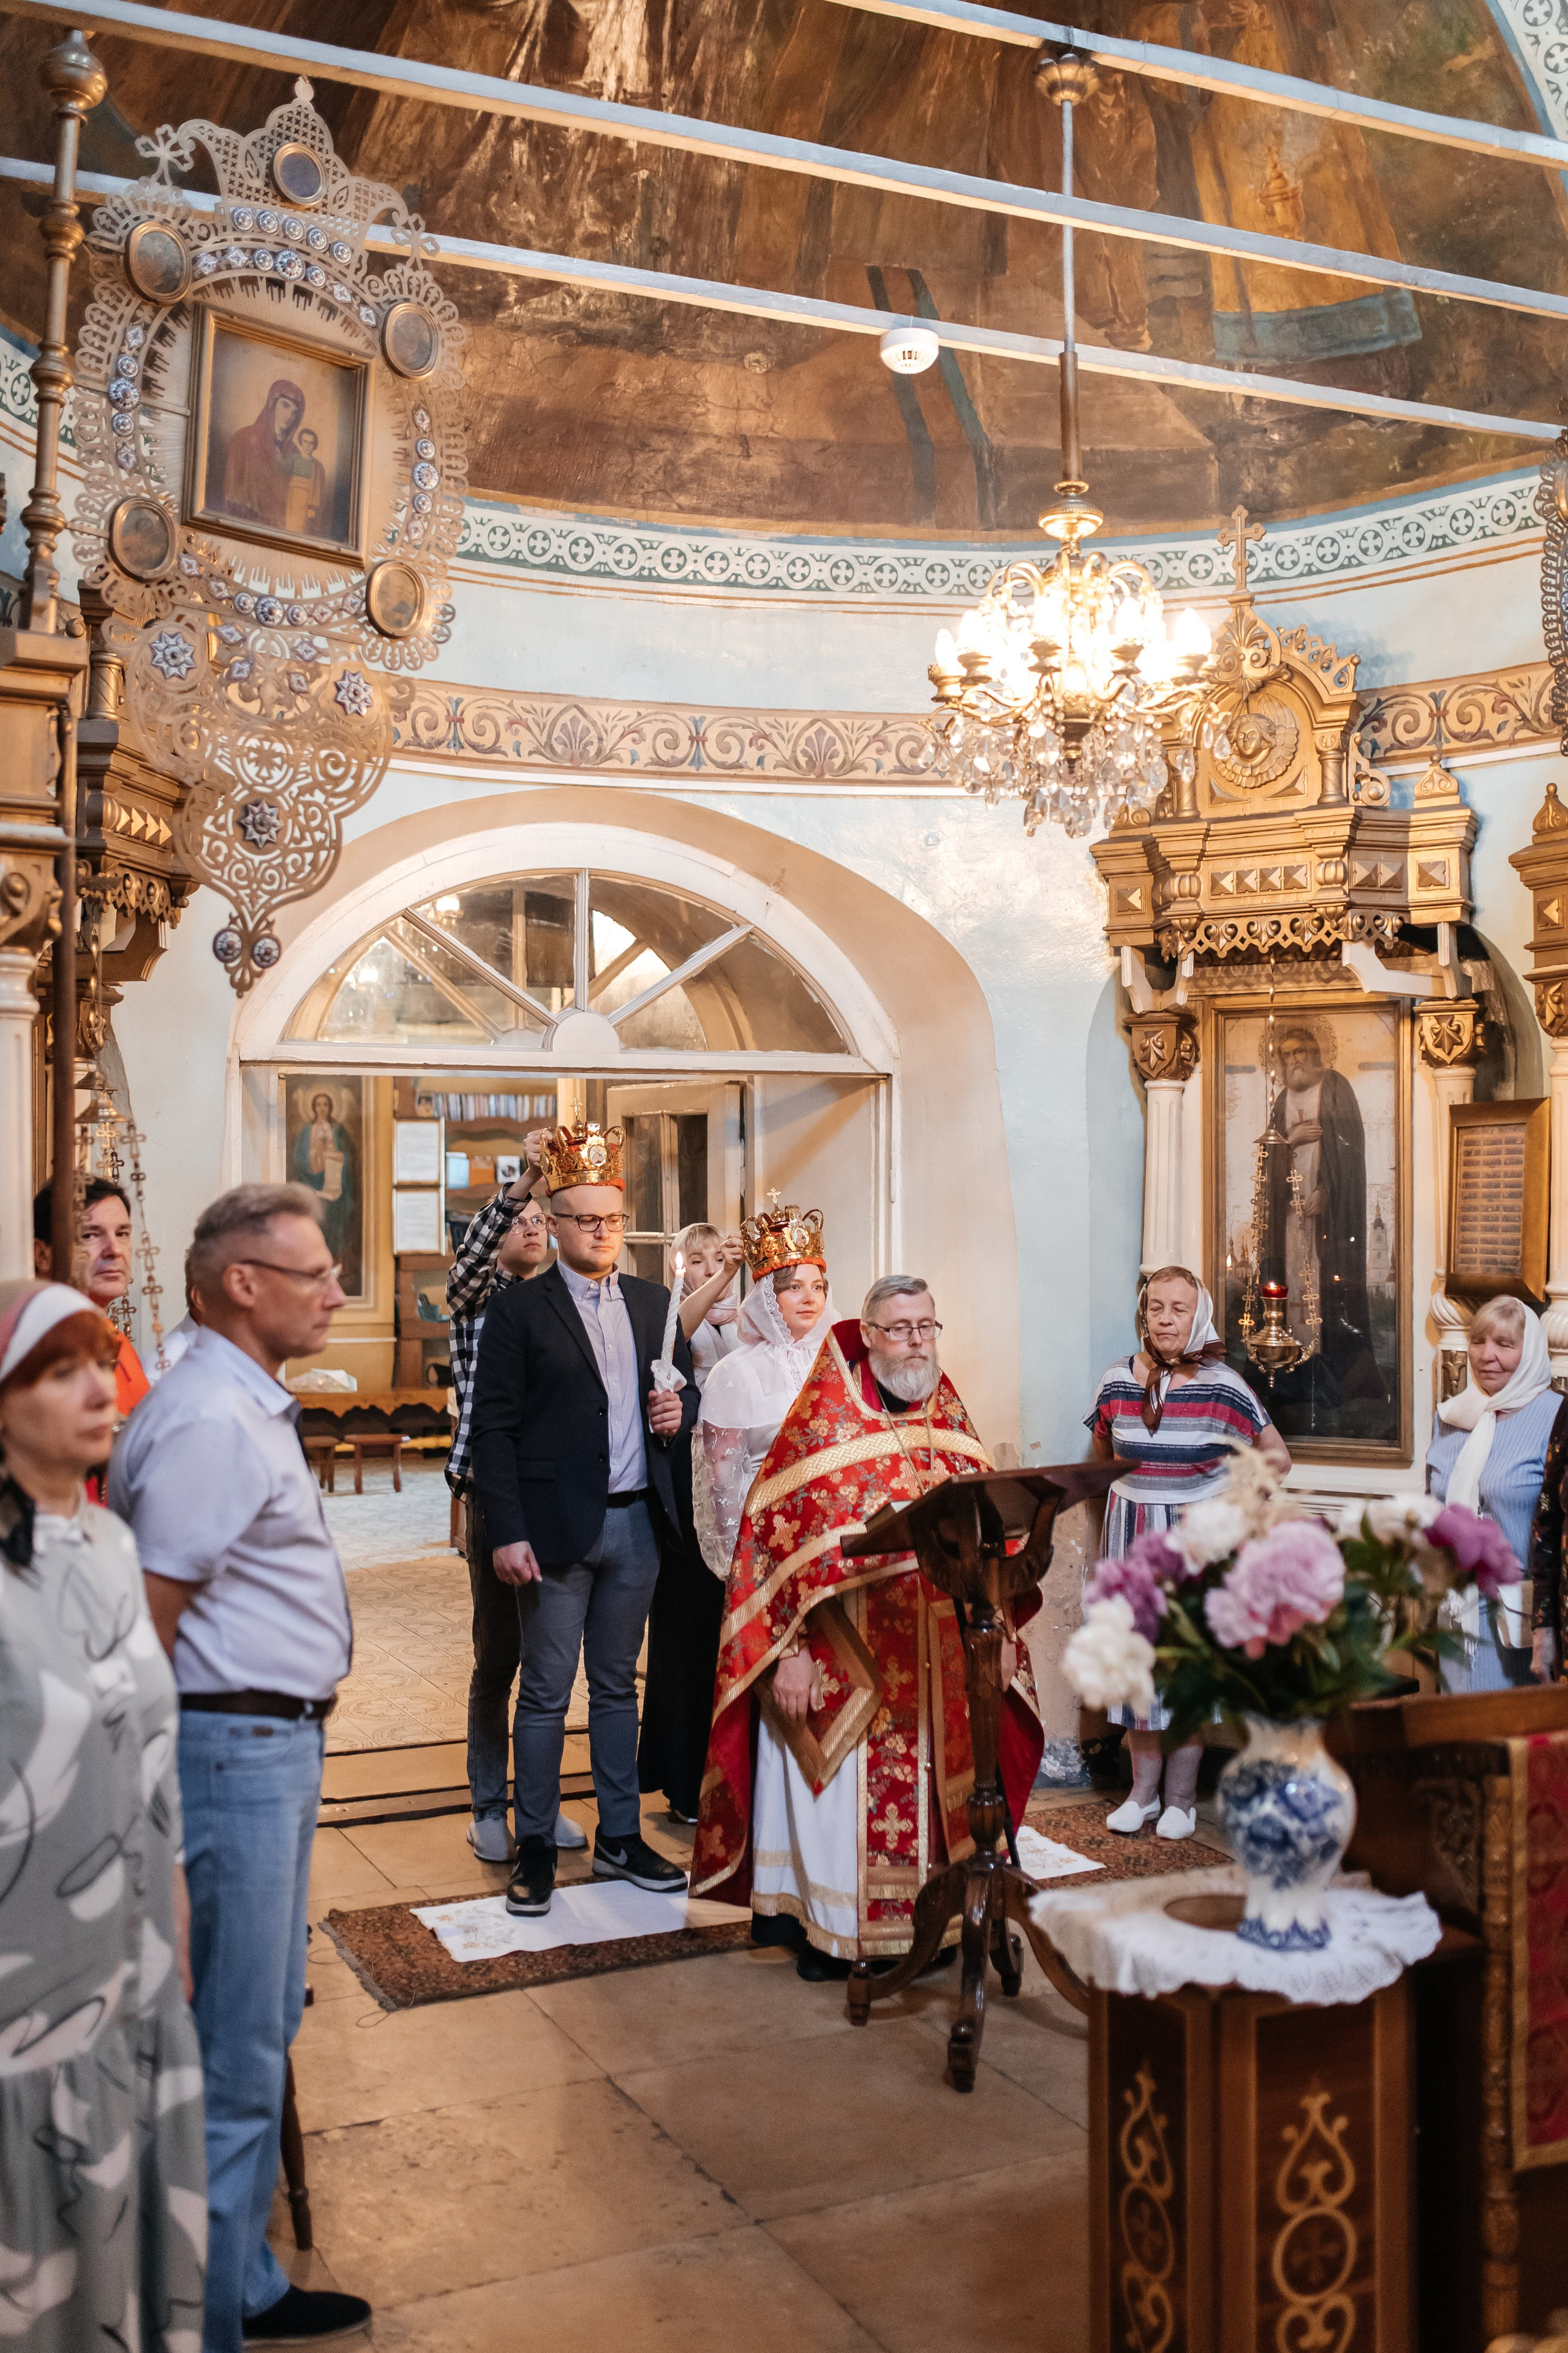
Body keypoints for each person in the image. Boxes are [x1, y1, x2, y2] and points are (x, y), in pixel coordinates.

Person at [110, 1184, 369, 2352]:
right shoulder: (211, 1419)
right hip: (230, 1750)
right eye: (316, 1273)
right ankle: (202, 2323)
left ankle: (246, 2282)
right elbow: (142, 1637)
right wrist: (154, 1828)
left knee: (262, 2022)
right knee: (234, 2050)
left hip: (270, 1741)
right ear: (242, 1286)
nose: (338, 1290)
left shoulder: (241, 1400)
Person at [692, 1263, 1044, 1981]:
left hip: (945, 1652)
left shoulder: (946, 1413)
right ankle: (832, 1931)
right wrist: (784, 1649)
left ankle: (941, 1919)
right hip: (847, 1653)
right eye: (900, 1329)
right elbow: (769, 1547)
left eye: (926, 1327)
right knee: (843, 1804)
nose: (916, 1344)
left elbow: (993, 1531)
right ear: (870, 1333)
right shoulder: (823, 1417)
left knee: (943, 1786)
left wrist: (1004, 1633)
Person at [0, 1279, 206, 2353]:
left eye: (101, 1362)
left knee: (122, 2259)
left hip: (132, 1963)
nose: (98, 1390)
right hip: (23, 1994)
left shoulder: (112, 1545)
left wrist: (167, 1887)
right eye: (57, 1370)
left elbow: (146, 1742)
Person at [470, 1120, 698, 1919]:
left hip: (637, 1524)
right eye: (586, 1219)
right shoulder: (520, 1313)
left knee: (615, 1690)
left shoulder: (653, 1304)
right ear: (556, 1223)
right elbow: (492, 1428)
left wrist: (678, 1410)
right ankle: (534, 1844)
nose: (603, 1231)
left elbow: (682, 1396)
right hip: (553, 1527)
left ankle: (621, 1835)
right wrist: (506, 1529)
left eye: (612, 1218)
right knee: (543, 1692)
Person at [1087, 1264, 1290, 1840]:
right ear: (1144, 1314)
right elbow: (1102, 1455)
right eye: (1157, 1307)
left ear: (1196, 1314)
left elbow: (1275, 1459)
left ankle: (1181, 1801)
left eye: (1179, 1308)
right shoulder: (1116, 1381)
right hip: (1131, 1537)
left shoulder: (1223, 1384)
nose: (1166, 1318)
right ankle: (1142, 1795)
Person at [641, 1217, 826, 1826]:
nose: (807, 1298)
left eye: (817, 1287)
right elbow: (667, 1358)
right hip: (708, 1501)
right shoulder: (687, 1329)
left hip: (804, 1524)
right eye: (696, 1262)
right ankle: (696, 1779)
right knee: (701, 1646)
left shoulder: (816, 1355)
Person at [445, 1138, 584, 1863]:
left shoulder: (565, 1304)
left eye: (539, 1218)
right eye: (517, 1218)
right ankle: (487, 1806)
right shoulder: (477, 1303)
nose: (529, 1225)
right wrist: (526, 1177)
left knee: (552, 1660)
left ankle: (541, 1801)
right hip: (496, 1494)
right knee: (498, 1654)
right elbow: (467, 1268)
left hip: (555, 1495)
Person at [1427, 1297, 1556, 1692]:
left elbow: (1558, 1529)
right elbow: (1433, 1511)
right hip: (1454, 1609)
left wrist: (1548, 1626)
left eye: (1504, 1344)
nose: (1487, 1356)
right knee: (1456, 1741)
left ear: (1530, 1351)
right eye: (1478, 1341)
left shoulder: (1555, 1418)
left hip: (1520, 1619)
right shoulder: (1450, 1416)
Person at [1262, 1021, 1381, 1395]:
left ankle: (1335, 1372)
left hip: (1329, 1216)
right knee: (1292, 1282)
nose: (1295, 1060)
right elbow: (1268, 1161)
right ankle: (1294, 1368)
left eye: (1301, 1052)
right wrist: (1290, 1142)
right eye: (1287, 1054)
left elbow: (1350, 1150)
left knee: (1326, 1280)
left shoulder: (1335, 1088)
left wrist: (1328, 1191)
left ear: (1315, 1054)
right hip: (1290, 1218)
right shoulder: (1281, 1101)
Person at [34, 1176, 149, 1417]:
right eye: (90, 1235)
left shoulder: (115, 1340)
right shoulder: (40, 1351)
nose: (114, 1250)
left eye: (122, 1233)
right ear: (42, 1255)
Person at [221, 380, 305, 529]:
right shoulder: (244, 439)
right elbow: (232, 495)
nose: (289, 416)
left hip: (279, 532)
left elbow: (295, 501)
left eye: (295, 412)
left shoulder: (294, 453)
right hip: (244, 527)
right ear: (273, 404)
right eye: (285, 405)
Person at [290, 1089, 357, 1274]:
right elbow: (299, 1159)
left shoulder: (337, 1130)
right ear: (313, 1107)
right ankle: (313, 1265)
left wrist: (335, 1158)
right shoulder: (306, 1131)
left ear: (331, 1108)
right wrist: (316, 1159)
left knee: (335, 1225)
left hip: (335, 1187)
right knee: (316, 1224)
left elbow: (349, 1158)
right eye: (318, 1104)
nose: (322, 1109)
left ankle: (335, 1263)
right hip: (312, 1184)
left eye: (325, 1105)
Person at [674, 1220, 744, 1390]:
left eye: (720, 1259)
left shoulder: (748, 1320)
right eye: (697, 1262)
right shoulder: (669, 1320)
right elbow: (678, 1332)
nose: (712, 1270)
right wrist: (725, 1272)